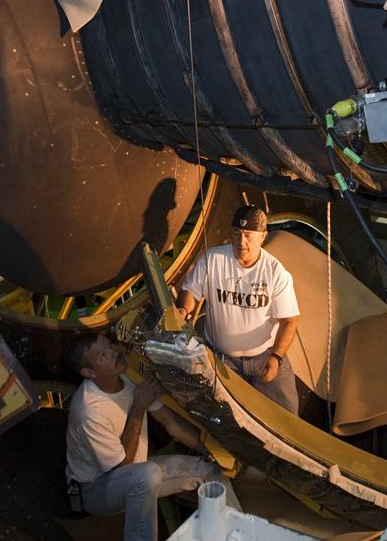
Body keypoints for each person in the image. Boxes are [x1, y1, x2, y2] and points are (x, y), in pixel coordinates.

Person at [66, 331, 237, 541]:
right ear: (89, 373)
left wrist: (212, 451)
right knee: (146, 475)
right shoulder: (89, 411)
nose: (113, 353)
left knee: (212, 471)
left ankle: (237, 534)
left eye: (109, 346)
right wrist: (138, 407)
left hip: (141, 474)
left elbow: (171, 424)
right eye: (102, 356)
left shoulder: (129, 376)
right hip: (96, 489)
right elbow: (123, 467)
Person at [176, 206, 302, 414]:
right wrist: (183, 309)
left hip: (264, 356)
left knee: (286, 414)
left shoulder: (276, 272)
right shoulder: (213, 259)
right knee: (223, 414)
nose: (241, 242)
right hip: (222, 358)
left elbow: (290, 320)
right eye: (236, 234)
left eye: (248, 236)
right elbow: (191, 291)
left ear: (263, 237)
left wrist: (276, 357)